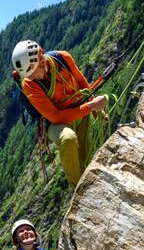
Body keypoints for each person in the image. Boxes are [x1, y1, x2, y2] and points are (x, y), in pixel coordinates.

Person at [12, 40, 108, 188]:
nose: (30, 78)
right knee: (68, 139)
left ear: (42, 62)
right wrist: (91, 107)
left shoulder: (63, 58)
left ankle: (89, 186)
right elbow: (56, 116)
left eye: (32, 73)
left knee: (85, 159)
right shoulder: (29, 84)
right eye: (28, 75)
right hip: (54, 123)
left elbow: (81, 81)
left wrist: (96, 109)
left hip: (79, 110)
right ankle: (77, 189)